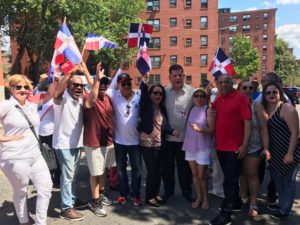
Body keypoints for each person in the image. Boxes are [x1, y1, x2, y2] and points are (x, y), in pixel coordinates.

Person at [0, 74, 52, 225]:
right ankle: (23, 221)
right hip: (14, 158)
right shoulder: (6, 105)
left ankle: (41, 223)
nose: (23, 90)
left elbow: (52, 93)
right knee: (21, 191)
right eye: (18, 87)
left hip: (35, 156)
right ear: (11, 88)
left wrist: (59, 74)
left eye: (26, 87)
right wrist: (3, 138)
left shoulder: (31, 105)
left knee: (46, 188)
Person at [209, 74, 252, 225]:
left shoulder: (241, 98)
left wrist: (244, 145)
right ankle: (235, 202)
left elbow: (247, 122)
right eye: (220, 82)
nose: (224, 85)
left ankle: (226, 214)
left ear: (232, 83)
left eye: (227, 82)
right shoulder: (218, 99)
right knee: (229, 178)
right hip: (220, 146)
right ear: (217, 84)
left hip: (234, 148)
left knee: (230, 180)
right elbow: (212, 119)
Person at [53, 68, 89, 221]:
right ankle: (66, 208)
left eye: (81, 85)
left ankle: (72, 200)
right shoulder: (63, 98)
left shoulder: (80, 98)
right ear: (68, 86)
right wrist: (68, 73)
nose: (79, 88)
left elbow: (92, 95)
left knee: (73, 175)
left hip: (76, 143)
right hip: (64, 144)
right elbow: (56, 93)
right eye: (75, 85)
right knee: (67, 176)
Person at [261, 82, 300, 220]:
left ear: (280, 94)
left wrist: (290, 153)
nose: (272, 95)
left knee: (287, 182)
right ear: (264, 95)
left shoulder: (287, 108)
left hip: (290, 152)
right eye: (268, 92)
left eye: (275, 92)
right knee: (278, 180)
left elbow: (295, 132)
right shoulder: (265, 109)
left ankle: (285, 211)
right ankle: (282, 204)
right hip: (274, 153)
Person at [138, 74, 177, 207]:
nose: (158, 95)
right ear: (150, 95)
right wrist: (145, 80)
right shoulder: (145, 106)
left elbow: (164, 126)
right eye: (155, 93)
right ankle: (149, 197)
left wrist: (172, 131)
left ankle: (155, 194)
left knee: (159, 170)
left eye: (160, 93)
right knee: (152, 171)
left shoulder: (162, 108)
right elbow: (143, 93)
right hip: (147, 144)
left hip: (160, 144)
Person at [83, 63, 115, 217]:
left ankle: (101, 194)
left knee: (104, 171)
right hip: (93, 142)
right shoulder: (89, 98)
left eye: (105, 83)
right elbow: (92, 98)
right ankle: (94, 201)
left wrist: (96, 79)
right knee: (95, 173)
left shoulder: (108, 97)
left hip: (107, 141)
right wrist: (96, 77)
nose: (103, 85)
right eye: (101, 83)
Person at [106, 69, 142, 206]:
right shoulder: (114, 95)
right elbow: (110, 87)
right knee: (121, 170)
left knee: (137, 170)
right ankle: (123, 194)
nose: (126, 86)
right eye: (123, 84)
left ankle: (136, 194)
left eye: (128, 83)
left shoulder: (139, 95)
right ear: (119, 85)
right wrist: (120, 70)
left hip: (136, 141)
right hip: (119, 141)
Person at [162, 64, 194, 202]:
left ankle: (187, 191)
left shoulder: (192, 92)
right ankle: (168, 191)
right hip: (167, 138)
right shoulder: (164, 92)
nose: (178, 78)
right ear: (169, 77)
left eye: (180, 75)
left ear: (184, 76)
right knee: (167, 167)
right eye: (174, 75)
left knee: (184, 169)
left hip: (184, 138)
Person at [238, 80, 267, 217]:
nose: (248, 89)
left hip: (253, 146)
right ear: (239, 89)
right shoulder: (236, 104)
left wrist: (266, 147)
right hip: (236, 146)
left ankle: (253, 202)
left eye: (251, 87)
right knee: (242, 173)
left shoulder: (257, 106)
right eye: (245, 87)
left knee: (252, 174)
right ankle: (243, 195)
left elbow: (263, 128)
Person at [182, 88, 214, 209]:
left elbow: (212, 130)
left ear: (205, 98)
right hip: (190, 146)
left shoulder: (208, 110)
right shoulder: (191, 109)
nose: (199, 98)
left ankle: (206, 198)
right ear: (193, 98)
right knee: (194, 175)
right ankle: (199, 196)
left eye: (202, 96)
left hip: (203, 147)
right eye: (196, 96)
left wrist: (201, 130)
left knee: (202, 176)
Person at [38, 75, 61, 188]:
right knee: (49, 156)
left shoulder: (48, 98)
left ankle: (53, 178)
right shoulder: (47, 99)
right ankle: (52, 178)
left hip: (46, 131)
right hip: (46, 131)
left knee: (50, 155)